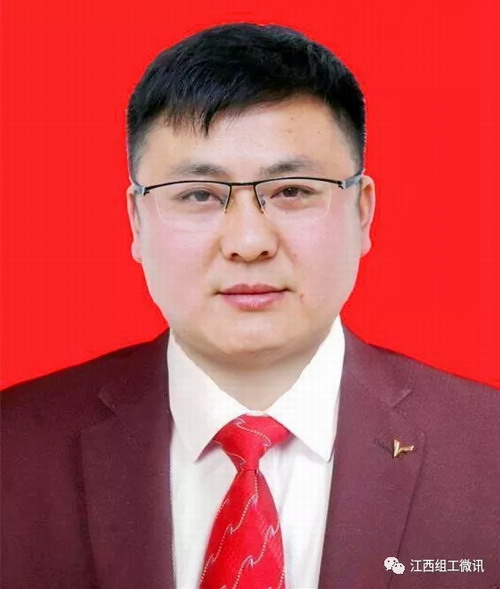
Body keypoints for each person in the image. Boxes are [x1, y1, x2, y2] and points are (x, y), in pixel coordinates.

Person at [1, 22, 499, 589]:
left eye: (292, 191)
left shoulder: (488, 446)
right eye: (199, 195)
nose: (248, 242)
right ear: (136, 221)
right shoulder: (15, 448)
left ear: (363, 212)